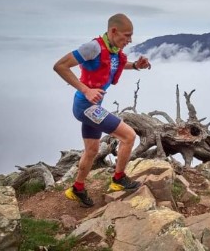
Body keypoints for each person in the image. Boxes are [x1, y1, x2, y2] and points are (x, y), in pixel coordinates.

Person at [53, 13, 151, 207]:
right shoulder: (93, 47)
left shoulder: (112, 49)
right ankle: (118, 180)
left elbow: (113, 66)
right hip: (85, 106)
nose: (129, 40)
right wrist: (86, 90)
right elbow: (60, 66)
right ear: (113, 31)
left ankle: (77, 189)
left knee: (91, 150)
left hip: (92, 106)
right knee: (129, 136)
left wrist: (135, 66)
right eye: (126, 35)